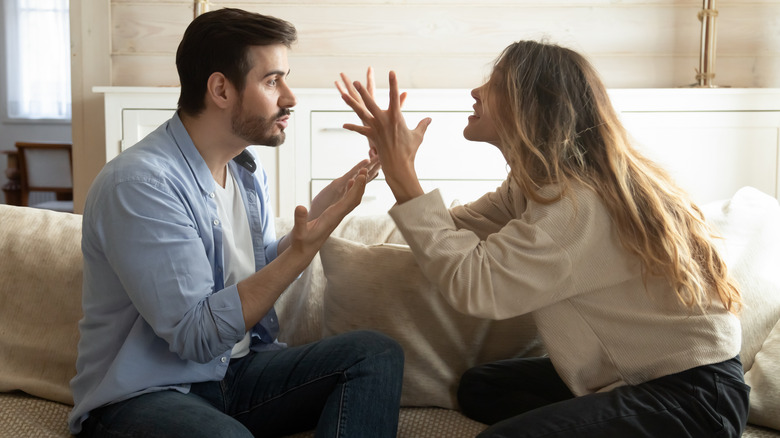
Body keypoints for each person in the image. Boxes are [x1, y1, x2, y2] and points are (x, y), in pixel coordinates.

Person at [337, 40, 750, 437]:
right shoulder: (537, 185)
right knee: (481, 388)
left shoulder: (578, 205)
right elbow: (447, 231)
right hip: (643, 377)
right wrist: (395, 168)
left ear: (532, 105)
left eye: (494, 85)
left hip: (695, 397)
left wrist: (403, 174)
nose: (475, 92)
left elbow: (478, 286)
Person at [69, 8, 404, 438]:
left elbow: (260, 269)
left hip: (235, 373)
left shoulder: (245, 169)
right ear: (221, 89)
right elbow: (196, 337)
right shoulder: (139, 184)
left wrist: (327, 210)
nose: (290, 97)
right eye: (272, 81)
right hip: (144, 394)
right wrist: (301, 253)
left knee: (373, 355)